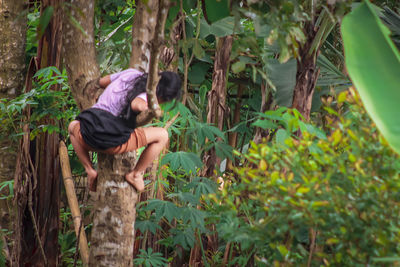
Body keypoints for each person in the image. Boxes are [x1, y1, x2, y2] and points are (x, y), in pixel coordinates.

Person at [68, 69, 182, 192]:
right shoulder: (147, 95)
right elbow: (136, 104)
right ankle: (136, 174)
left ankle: (89, 169)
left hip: (86, 135)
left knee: (72, 126)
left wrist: (98, 88)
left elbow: (103, 81)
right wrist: (150, 107)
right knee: (162, 135)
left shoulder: (131, 73)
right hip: (111, 144)